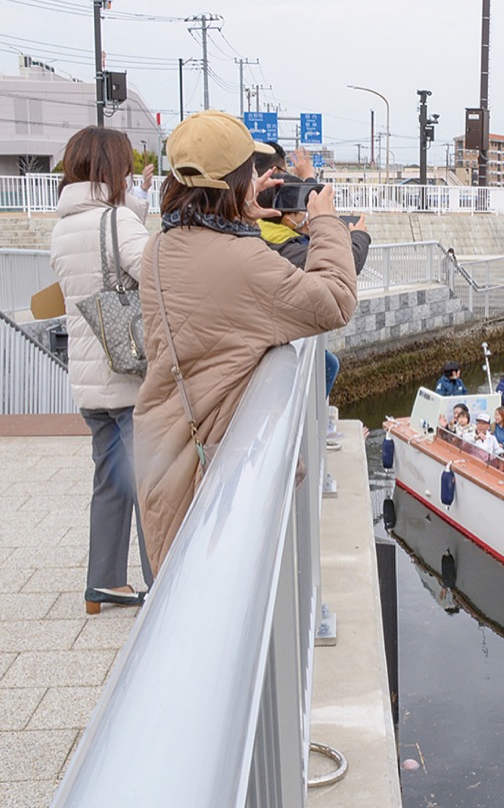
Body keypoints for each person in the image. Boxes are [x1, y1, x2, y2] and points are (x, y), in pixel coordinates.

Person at [134, 110, 357, 575]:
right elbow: (335, 300)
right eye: (250, 174)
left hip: (162, 452)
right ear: (238, 181)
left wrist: (239, 211)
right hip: (210, 471)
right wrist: (326, 222)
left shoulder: (161, 244)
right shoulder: (243, 260)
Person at [50, 126, 154, 612]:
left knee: (111, 481)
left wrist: (134, 208)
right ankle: (166, 583)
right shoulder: (117, 220)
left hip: (90, 382)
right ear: (115, 170)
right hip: (130, 376)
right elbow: (153, 275)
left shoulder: (64, 225)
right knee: (152, 484)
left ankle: (104, 582)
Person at [255, 173, 370, 400]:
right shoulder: (285, 248)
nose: (307, 216)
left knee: (329, 363)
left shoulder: (264, 234)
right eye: (302, 211)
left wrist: (308, 176)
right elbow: (345, 269)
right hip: (271, 343)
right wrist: (359, 236)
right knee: (329, 366)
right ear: (286, 216)